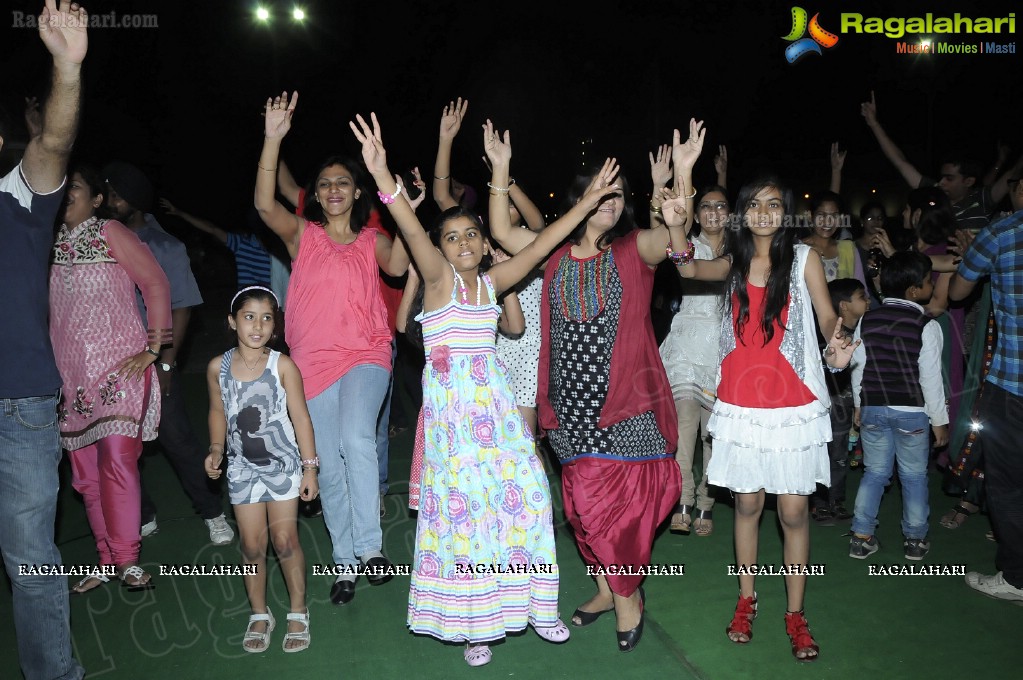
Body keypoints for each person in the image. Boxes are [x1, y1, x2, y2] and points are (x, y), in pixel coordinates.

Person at [353, 112, 600, 666]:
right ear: (440, 249)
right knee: (465, 519)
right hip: (454, 427)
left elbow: (539, 249)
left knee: (532, 500)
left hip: (500, 415)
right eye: (451, 237)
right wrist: (382, 175)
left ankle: (538, 607)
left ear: (484, 244)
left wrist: (582, 207)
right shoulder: (439, 282)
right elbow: (412, 229)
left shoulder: (492, 283)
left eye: (471, 235)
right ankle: (475, 625)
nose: (462, 242)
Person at [493, 122, 705, 653]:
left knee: (618, 508)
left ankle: (627, 594)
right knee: (584, 508)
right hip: (568, 406)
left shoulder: (634, 251)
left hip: (627, 405)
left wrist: (681, 177)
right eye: (601, 194)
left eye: (619, 196)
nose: (612, 203)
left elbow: (679, 254)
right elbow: (501, 230)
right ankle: (606, 588)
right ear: (581, 200)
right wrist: (500, 169)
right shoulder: (555, 255)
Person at [667, 176, 856, 662]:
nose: (765, 212)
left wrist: (839, 349)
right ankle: (746, 599)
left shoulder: (804, 260)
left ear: (786, 210)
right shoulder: (731, 262)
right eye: (755, 204)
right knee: (747, 508)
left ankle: (796, 614)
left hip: (793, 408)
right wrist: (674, 226)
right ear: (743, 213)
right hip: (742, 407)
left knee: (793, 513)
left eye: (775, 203)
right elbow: (688, 269)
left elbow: (828, 317)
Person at [255, 92, 409, 606]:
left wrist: (398, 202)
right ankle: (344, 560)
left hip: (367, 353)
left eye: (343, 181)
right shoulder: (304, 235)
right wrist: (273, 138)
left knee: (355, 438)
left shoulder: (372, 240)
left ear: (357, 191)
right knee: (327, 461)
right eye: (325, 183)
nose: (334, 188)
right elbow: (262, 204)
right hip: (312, 363)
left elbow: (400, 266)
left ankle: (370, 549)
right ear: (316, 196)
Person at [0, 2, 87, 677]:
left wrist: (66, 67)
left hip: (20, 406)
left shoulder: (18, 196)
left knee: (28, 559)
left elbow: (54, 143)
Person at [51, 165, 170, 592]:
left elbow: (155, 283)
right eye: (62, 189)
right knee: (84, 476)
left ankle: (128, 559)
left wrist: (154, 349)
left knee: (117, 462)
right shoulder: (44, 243)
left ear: (96, 198)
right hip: (69, 377)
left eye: (76, 188)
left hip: (120, 368)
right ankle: (105, 559)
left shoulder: (110, 232)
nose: (67, 195)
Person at [103, 161, 234, 545]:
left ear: (137, 201)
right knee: (119, 446)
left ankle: (212, 512)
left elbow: (182, 307)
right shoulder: (101, 242)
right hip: (110, 361)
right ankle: (142, 515)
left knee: (176, 438)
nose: (109, 201)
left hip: (152, 358)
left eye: (116, 194)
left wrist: (165, 361)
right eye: (107, 193)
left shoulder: (164, 246)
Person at [205, 286, 318, 653]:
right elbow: (218, 412)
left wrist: (310, 468)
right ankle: (258, 613)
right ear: (232, 321)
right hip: (241, 470)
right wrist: (216, 449)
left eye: (267, 318)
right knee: (252, 545)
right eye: (248, 317)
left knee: (285, 541)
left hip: (283, 466)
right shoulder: (217, 368)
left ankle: (298, 612)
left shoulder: (282, 365)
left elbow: (300, 417)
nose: (258, 325)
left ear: (275, 325)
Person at [849, 251, 949, 561]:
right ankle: (915, 541)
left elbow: (857, 366)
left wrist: (858, 405)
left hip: (874, 408)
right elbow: (931, 378)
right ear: (914, 290)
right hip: (912, 413)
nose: (931, 285)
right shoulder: (926, 326)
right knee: (914, 476)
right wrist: (939, 420)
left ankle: (861, 537)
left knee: (875, 473)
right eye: (928, 280)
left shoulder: (867, 319)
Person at [952, 176, 1023, 604]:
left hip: (1013, 386)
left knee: (1009, 485)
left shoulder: (1001, 232)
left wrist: (974, 259)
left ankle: (1017, 577)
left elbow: (960, 290)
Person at [659, 185, 729, 536]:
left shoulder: (739, 251)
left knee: (712, 433)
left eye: (720, 206)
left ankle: (706, 502)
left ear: (730, 213)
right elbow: (679, 251)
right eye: (705, 206)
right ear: (696, 212)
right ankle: (683, 501)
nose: (713, 212)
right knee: (685, 423)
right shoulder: (688, 245)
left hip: (724, 347)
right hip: (686, 340)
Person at [811, 279, 870, 525]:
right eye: (861, 296)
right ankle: (820, 503)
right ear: (844, 306)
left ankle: (836, 500)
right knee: (823, 454)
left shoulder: (860, 332)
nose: (867, 301)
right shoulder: (827, 335)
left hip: (846, 404)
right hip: (826, 404)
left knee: (840, 455)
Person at [159, 198, 272, 287]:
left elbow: (212, 229)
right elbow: (212, 228)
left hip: (272, 303)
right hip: (248, 302)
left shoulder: (279, 247)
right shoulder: (242, 244)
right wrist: (179, 213)